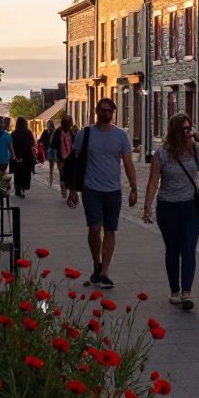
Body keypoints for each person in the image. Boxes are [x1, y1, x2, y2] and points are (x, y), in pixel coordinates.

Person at [142, 113, 199, 309]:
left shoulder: (194, 151)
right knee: (173, 250)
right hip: (168, 207)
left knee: (188, 249)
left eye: (189, 128)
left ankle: (186, 293)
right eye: (185, 129)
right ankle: (174, 291)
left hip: (192, 207)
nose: (189, 132)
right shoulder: (162, 154)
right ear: (176, 131)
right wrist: (147, 206)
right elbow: (153, 182)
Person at [67, 98, 138, 289]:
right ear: (97, 111)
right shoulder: (85, 134)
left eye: (110, 111)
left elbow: (128, 163)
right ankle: (96, 264)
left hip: (113, 190)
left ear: (113, 113)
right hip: (91, 189)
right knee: (94, 229)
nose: (106, 114)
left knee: (110, 230)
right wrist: (72, 189)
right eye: (103, 110)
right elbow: (76, 163)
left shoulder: (121, 136)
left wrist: (134, 187)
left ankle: (104, 271)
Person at [10, 117, 37, 198]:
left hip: (17, 155)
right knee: (26, 172)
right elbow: (33, 144)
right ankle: (23, 187)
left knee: (17, 173)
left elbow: (11, 145)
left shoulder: (13, 133)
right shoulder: (28, 133)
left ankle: (18, 188)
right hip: (27, 155)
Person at [53, 115, 75, 199]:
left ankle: (68, 192)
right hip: (62, 157)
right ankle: (64, 191)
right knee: (63, 174)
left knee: (68, 174)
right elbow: (54, 143)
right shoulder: (59, 131)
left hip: (69, 157)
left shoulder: (73, 131)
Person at [39, 120, 59, 187]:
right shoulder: (56, 131)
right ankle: (62, 182)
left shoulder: (45, 132)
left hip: (48, 151)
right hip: (55, 151)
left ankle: (50, 183)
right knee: (60, 167)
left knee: (51, 169)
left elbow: (40, 140)